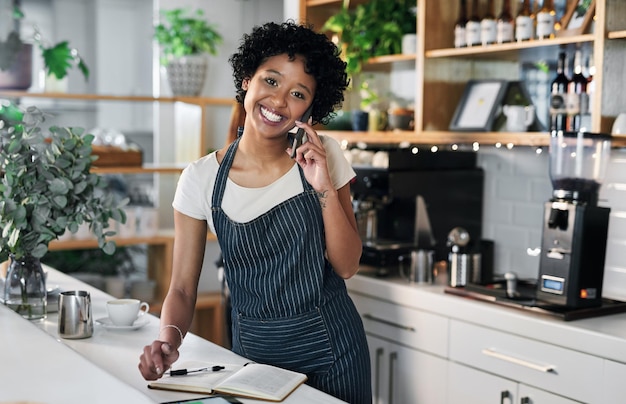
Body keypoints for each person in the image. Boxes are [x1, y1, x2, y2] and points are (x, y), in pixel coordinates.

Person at [139, 21, 371, 403]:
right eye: (271, 80)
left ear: (310, 107)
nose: (279, 101)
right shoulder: (201, 179)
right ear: (247, 79)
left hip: (335, 355)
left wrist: (323, 185)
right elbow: (181, 287)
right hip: (257, 361)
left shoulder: (322, 155)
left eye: (298, 93)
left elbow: (346, 265)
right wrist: (168, 339)